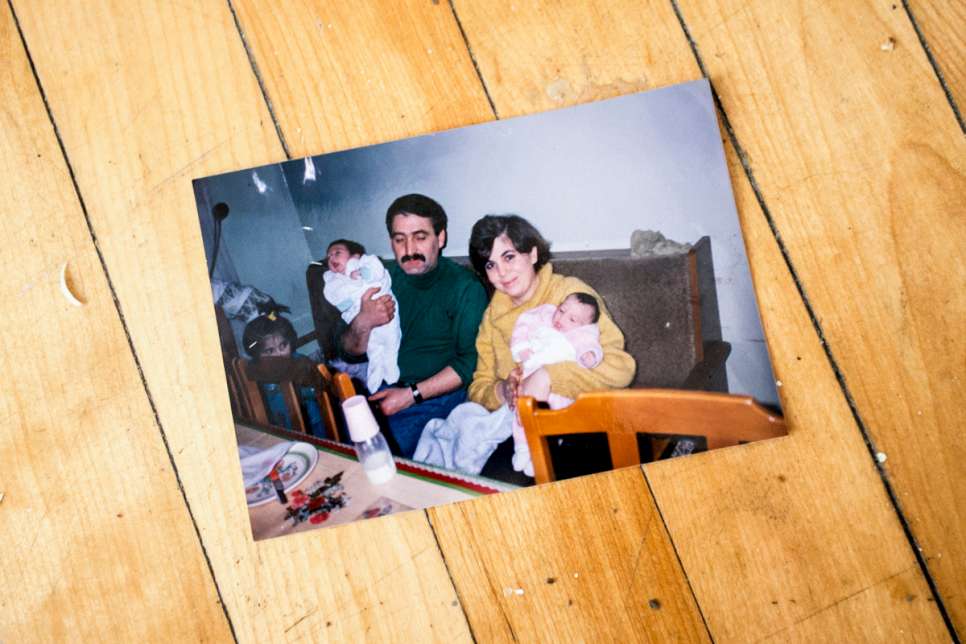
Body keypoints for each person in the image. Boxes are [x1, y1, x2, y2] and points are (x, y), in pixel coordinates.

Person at [467, 214, 636, 477]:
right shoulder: (491, 319)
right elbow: (478, 388)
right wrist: (504, 391)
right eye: (490, 265)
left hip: (586, 422)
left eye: (509, 257)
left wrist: (548, 376)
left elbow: (620, 370)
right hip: (522, 428)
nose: (501, 272)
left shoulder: (571, 296)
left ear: (533, 254)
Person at [339, 194, 488, 458]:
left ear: (440, 238)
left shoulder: (465, 288)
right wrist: (363, 321)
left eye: (420, 237)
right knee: (336, 452)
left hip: (433, 396)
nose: (409, 250)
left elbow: (468, 363)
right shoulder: (381, 277)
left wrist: (410, 395)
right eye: (399, 239)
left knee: (378, 458)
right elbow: (349, 352)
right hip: (381, 387)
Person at [507, 292, 605, 475]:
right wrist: (523, 351)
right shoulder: (544, 318)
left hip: (558, 388)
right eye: (561, 310)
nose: (561, 318)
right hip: (529, 378)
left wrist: (590, 356)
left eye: (572, 319)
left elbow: (591, 346)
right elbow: (523, 326)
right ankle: (522, 448)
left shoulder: (580, 335)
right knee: (521, 416)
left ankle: (545, 450)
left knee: (554, 418)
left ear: (583, 326)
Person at [323, 239, 401, 393]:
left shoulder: (365, 262)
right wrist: (364, 319)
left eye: (337, 253)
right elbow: (345, 350)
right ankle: (376, 380)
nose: (332, 259)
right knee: (375, 352)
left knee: (391, 341)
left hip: (386, 309)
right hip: (361, 320)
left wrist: (362, 273)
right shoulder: (335, 280)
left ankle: (390, 372)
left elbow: (376, 272)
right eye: (329, 257)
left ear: (355, 255)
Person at [242, 312, 325, 436]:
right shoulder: (255, 374)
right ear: (256, 356)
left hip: (313, 426)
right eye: (270, 351)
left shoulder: (302, 364)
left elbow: (321, 390)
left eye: (283, 345)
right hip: (281, 431)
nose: (279, 354)